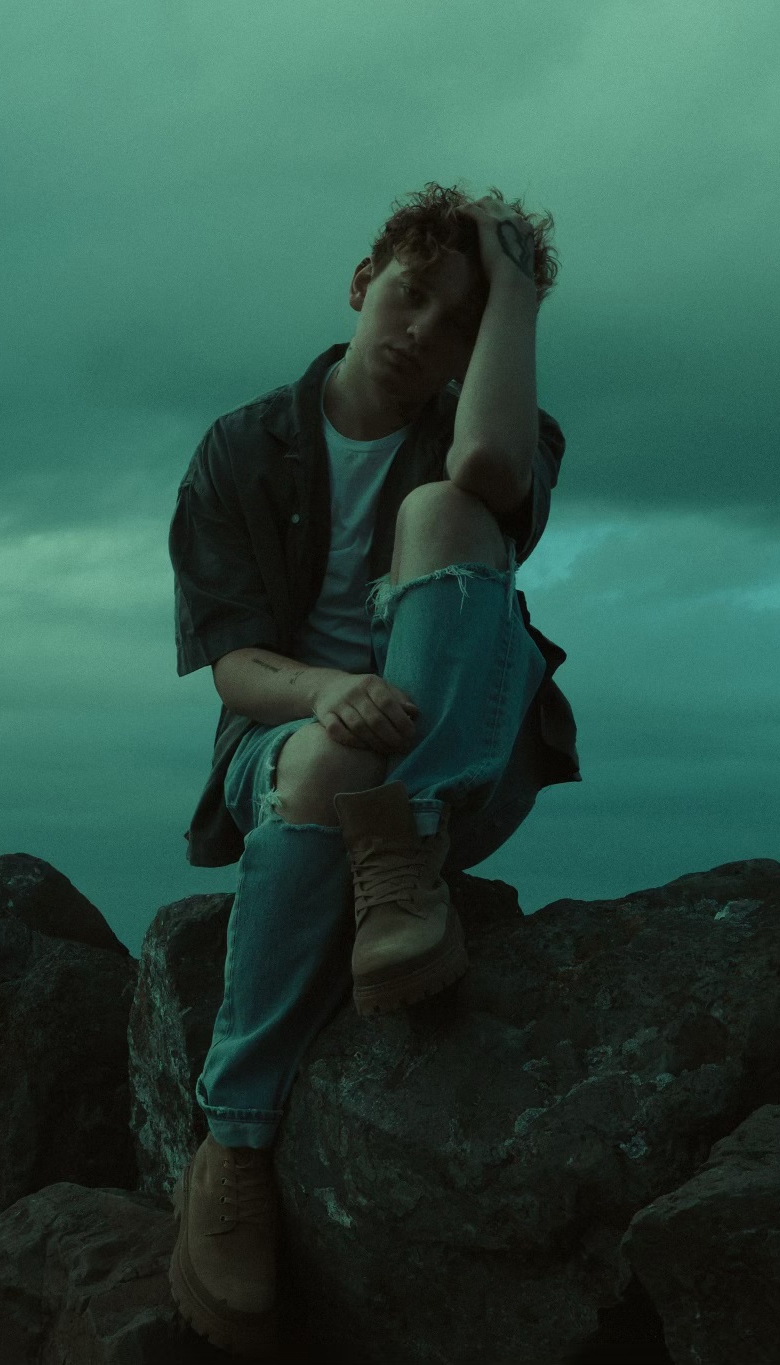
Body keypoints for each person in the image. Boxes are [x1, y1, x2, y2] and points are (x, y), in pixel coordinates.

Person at [167, 181, 581, 1359]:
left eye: (460, 321)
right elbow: (237, 664)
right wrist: (325, 693)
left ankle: (236, 1130)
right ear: (361, 285)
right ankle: (238, 1142)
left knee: (448, 509)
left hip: (464, 757)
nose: (422, 336)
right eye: (408, 297)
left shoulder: (497, 416)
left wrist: (519, 300)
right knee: (319, 765)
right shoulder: (244, 447)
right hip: (286, 741)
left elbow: (494, 472)